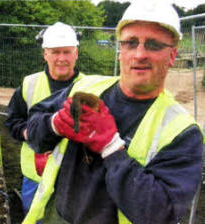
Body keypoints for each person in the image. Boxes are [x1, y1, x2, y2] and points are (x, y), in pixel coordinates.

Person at [24, 1, 204, 224]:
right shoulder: (85, 88)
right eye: (130, 43)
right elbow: (31, 131)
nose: (139, 54)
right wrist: (53, 125)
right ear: (120, 51)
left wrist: (112, 149)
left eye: (154, 45)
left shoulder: (182, 132)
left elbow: (161, 213)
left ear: (172, 55)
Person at [4, 22, 86, 217]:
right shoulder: (29, 84)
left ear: (76, 53)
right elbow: (12, 121)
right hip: (35, 176)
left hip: (73, 178)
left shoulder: (89, 86)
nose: (61, 58)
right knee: (34, 217)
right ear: (45, 54)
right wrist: (29, 133)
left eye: (67, 52)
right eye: (55, 52)